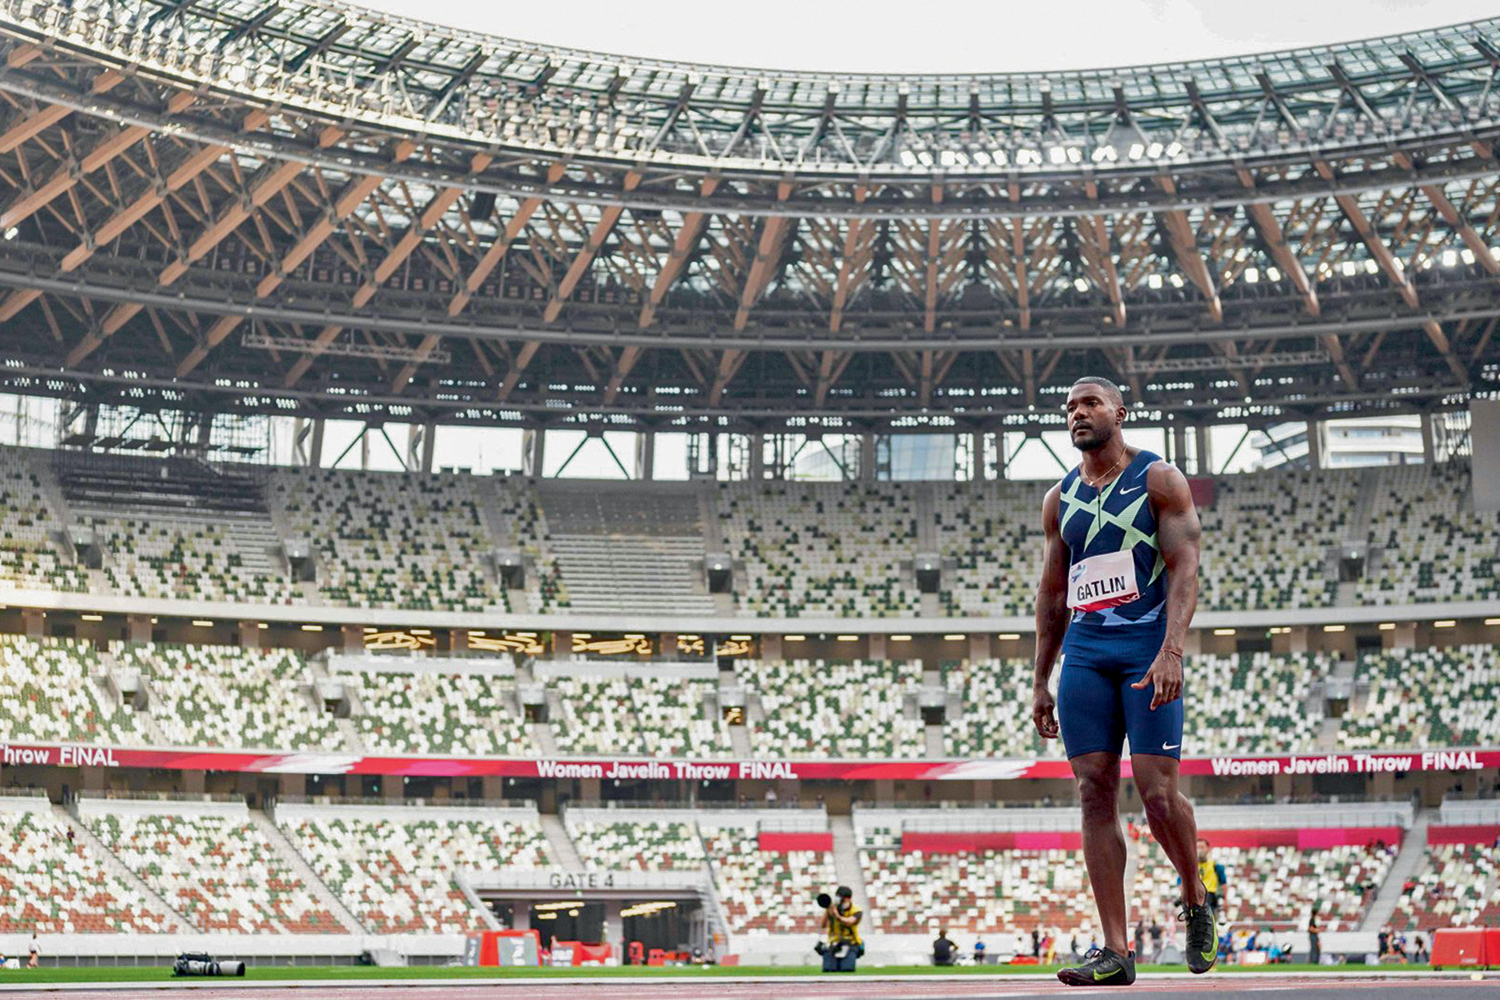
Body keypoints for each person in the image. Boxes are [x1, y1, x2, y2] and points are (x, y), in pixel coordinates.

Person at [1033, 376, 1215, 987]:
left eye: (1088, 404)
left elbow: (1185, 564)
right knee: (1093, 791)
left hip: (1146, 646)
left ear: (1120, 411)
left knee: (1158, 795)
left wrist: (1172, 650)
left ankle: (1194, 893)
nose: (1076, 414)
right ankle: (1115, 949)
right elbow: (1053, 594)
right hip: (1086, 652)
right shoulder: (1059, 499)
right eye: (1069, 409)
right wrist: (1041, 679)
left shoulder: (1159, 480)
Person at [1181, 838, 1229, 916]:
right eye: (1197, 847)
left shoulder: (1215, 865)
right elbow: (1181, 882)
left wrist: (1225, 900)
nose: (1199, 850)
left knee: (1209, 919)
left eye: (1202, 847)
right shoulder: (1190, 867)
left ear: (1208, 849)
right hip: (1194, 897)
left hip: (1209, 896)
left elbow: (1224, 883)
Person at [822, 886, 862, 972]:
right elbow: (823, 925)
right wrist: (827, 911)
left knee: (847, 969)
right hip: (834, 943)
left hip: (851, 942)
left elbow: (849, 922)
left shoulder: (856, 910)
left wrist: (838, 916)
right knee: (828, 969)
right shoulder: (833, 908)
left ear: (848, 899)